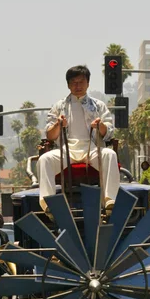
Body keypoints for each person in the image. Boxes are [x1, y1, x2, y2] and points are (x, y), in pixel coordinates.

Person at [37, 64, 120, 212]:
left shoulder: (98, 106)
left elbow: (109, 132)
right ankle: (48, 203)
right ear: (68, 85)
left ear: (88, 83)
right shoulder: (59, 106)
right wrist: (58, 124)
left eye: (81, 82)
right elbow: (50, 135)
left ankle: (110, 200)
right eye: (74, 82)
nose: (78, 86)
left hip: (92, 148)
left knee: (110, 154)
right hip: (66, 150)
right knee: (45, 160)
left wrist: (99, 125)